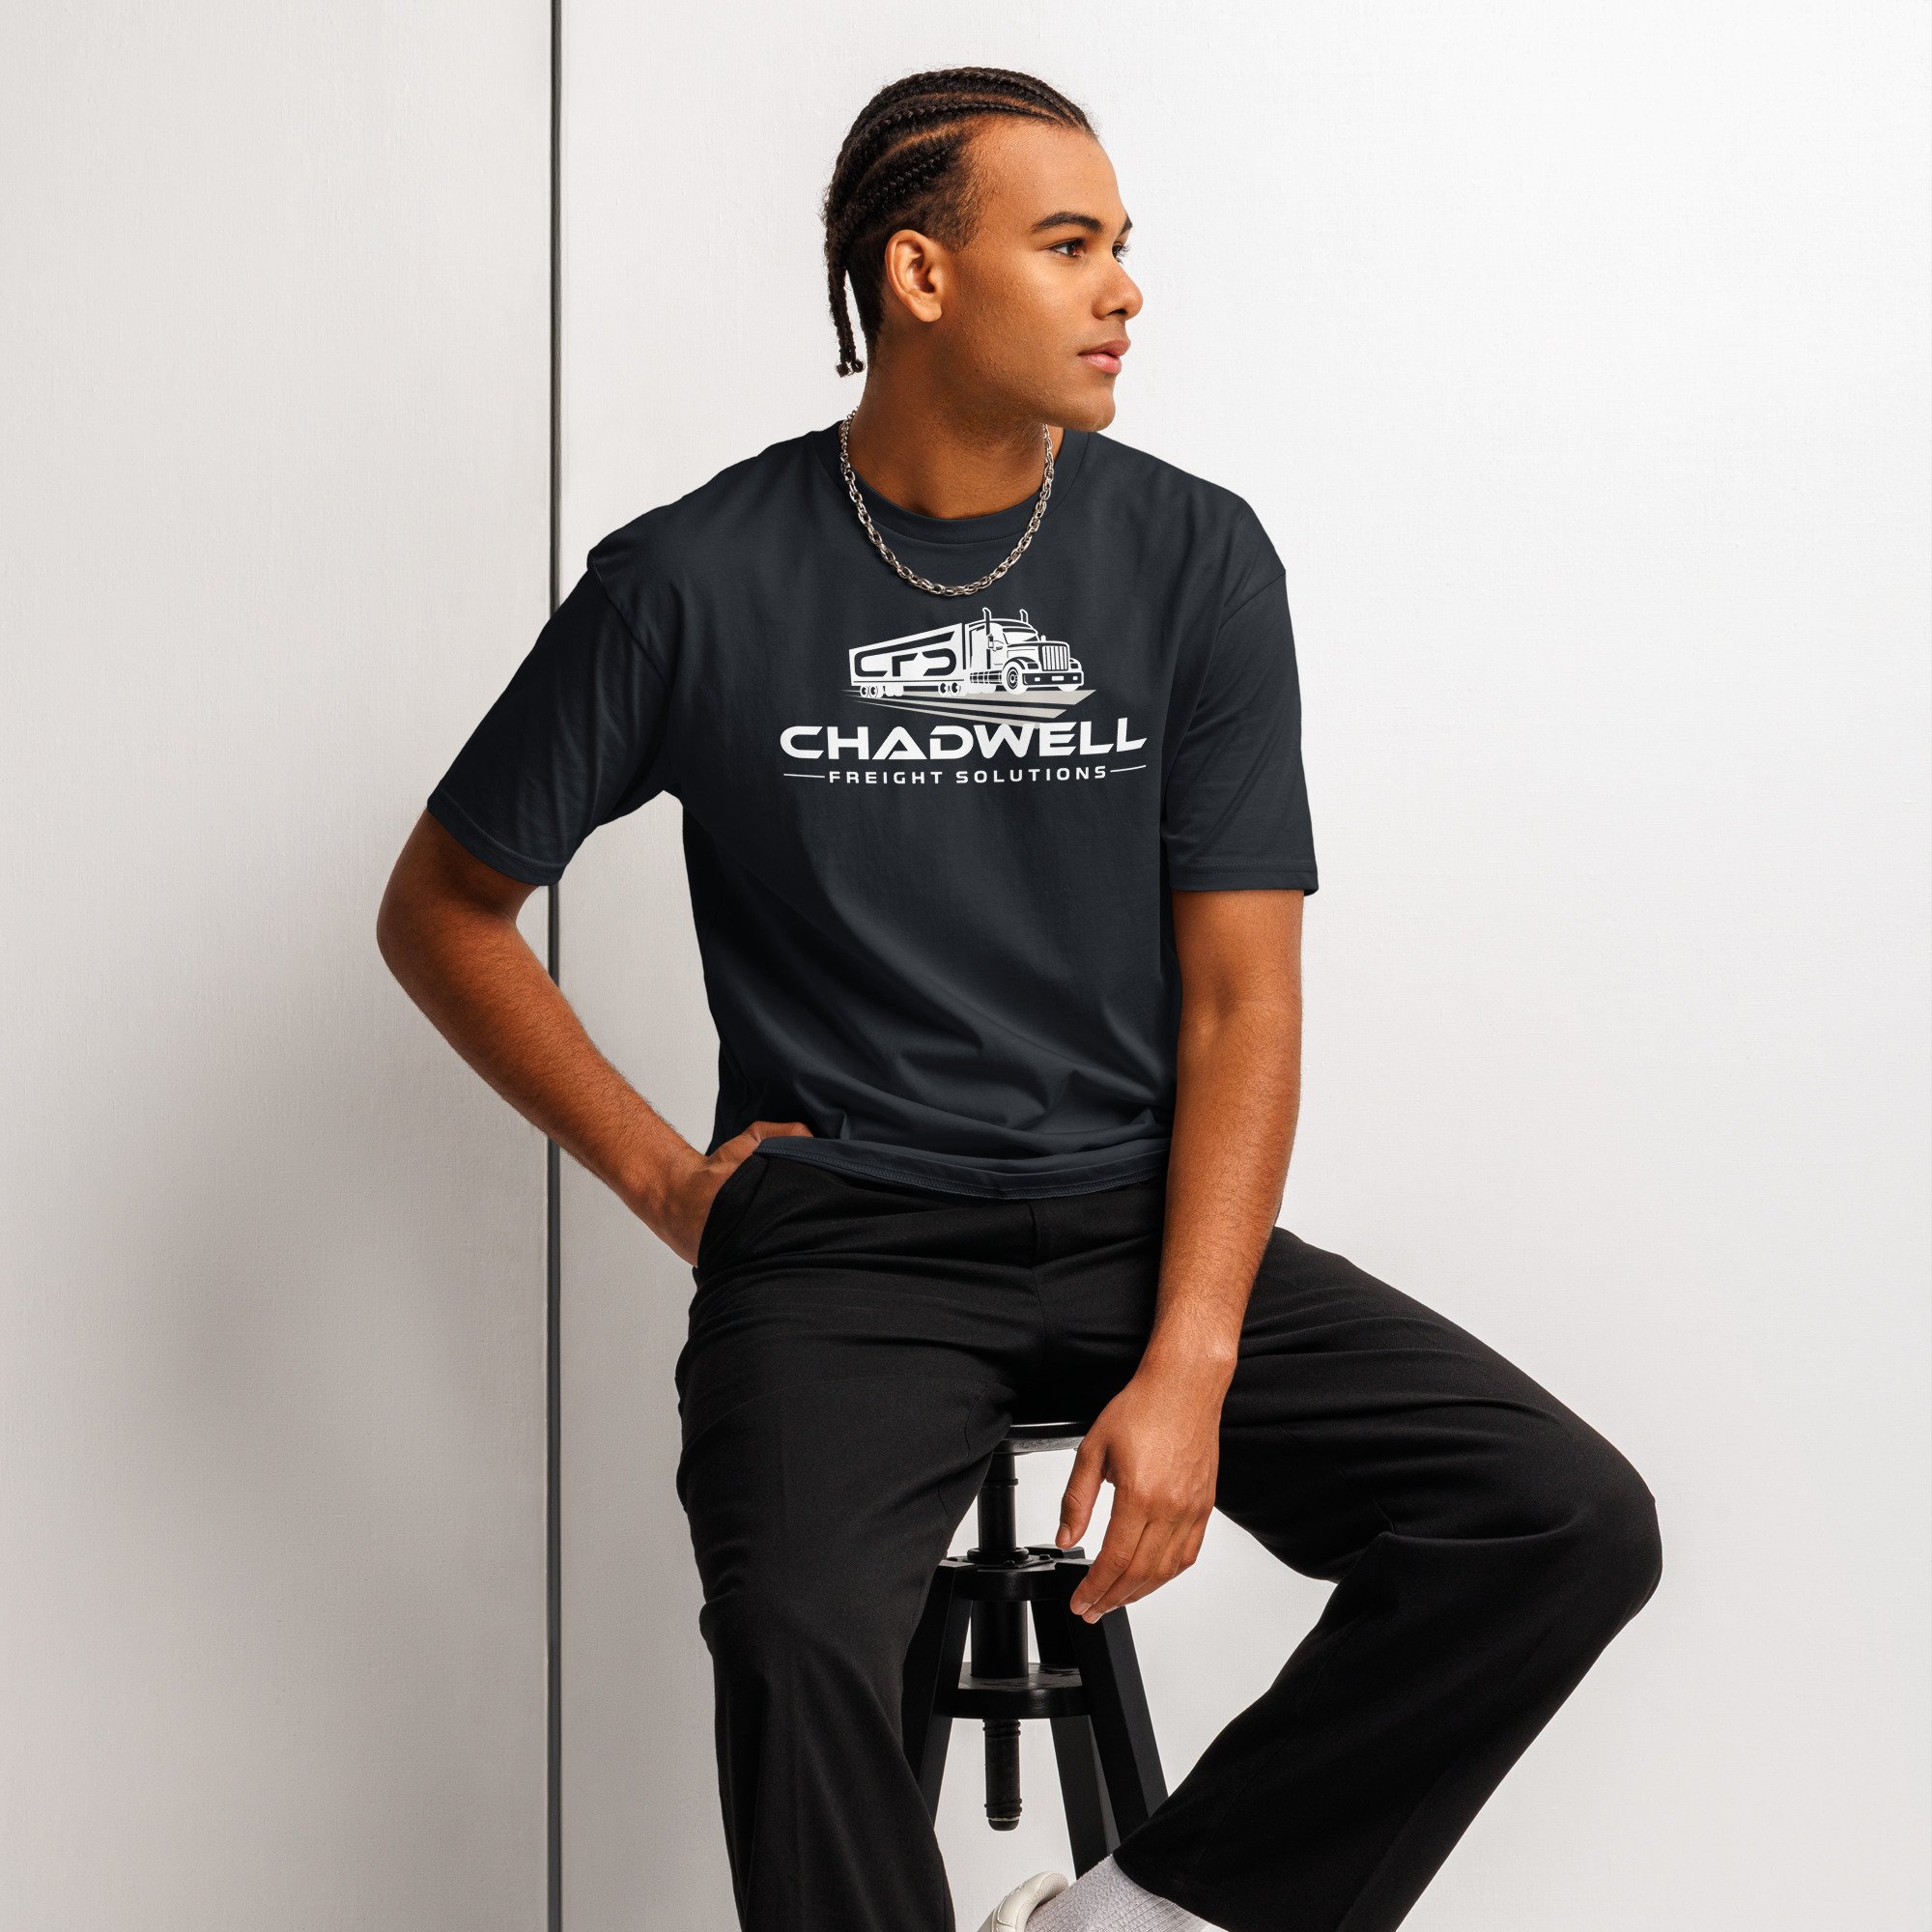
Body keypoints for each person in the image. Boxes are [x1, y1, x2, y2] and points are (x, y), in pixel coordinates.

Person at [376, 65, 1662, 1932]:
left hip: (1142, 1217)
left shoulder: (1195, 558)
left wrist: (1194, 1360)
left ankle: (1143, 1924)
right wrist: (667, 1182)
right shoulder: (689, 583)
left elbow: (1241, 1004)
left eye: (1121, 245)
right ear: (919, 275)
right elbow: (446, 908)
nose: (1124, 288)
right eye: (1069, 245)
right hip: (848, 1240)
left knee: (1559, 1519)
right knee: (800, 1637)